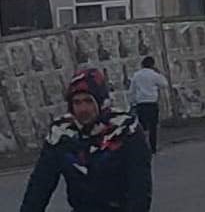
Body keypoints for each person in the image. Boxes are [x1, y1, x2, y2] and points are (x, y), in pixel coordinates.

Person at [20, 68, 152, 212]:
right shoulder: (61, 133)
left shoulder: (125, 128)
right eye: (77, 102)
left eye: (89, 101)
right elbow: (41, 183)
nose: (83, 109)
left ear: (101, 102)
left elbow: (140, 184)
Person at [130, 56, 169, 154]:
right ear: (152, 65)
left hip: (141, 103)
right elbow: (164, 84)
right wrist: (159, 73)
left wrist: (133, 103)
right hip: (152, 103)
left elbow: (132, 90)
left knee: (143, 128)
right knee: (153, 127)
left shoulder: (136, 75)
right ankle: (153, 148)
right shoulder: (154, 75)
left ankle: (143, 147)